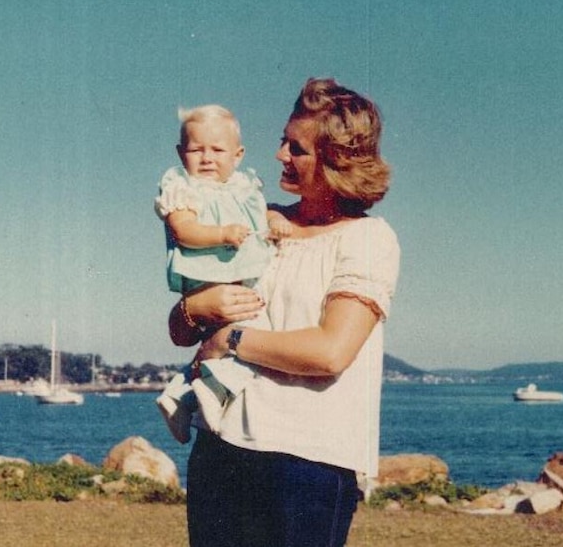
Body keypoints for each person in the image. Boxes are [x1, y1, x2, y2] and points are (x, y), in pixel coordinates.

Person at [168, 78, 400, 547]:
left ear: (335, 160)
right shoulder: (252, 223)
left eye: (296, 148)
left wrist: (230, 340)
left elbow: (330, 352)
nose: (279, 156)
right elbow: (179, 330)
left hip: (305, 465)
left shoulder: (368, 240)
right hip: (220, 450)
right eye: (282, 141)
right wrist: (195, 307)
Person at [154, 104, 292, 444]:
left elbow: (261, 219)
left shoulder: (244, 187)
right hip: (208, 276)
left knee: (236, 339)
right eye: (196, 149)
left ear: (238, 154)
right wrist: (221, 234)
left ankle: (180, 394)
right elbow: (184, 230)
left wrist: (274, 222)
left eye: (217, 150)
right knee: (249, 333)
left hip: (239, 275)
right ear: (180, 153)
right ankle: (210, 397)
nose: (207, 158)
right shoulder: (181, 187)